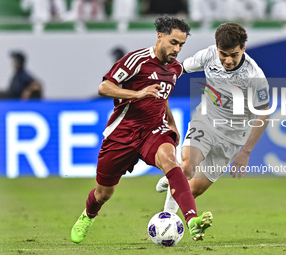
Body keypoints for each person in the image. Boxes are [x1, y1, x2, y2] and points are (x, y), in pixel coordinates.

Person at [71, 16, 213, 244]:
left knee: (171, 162)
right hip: (122, 135)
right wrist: (137, 93)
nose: (177, 49)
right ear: (160, 37)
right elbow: (104, 87)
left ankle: (192, 220)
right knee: (103, 193)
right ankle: (88, 215)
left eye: (181, 45)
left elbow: (161, 96)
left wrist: (172, 123)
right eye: (173, 42)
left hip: (152, 131)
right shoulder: (136, 60)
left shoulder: (175, 69)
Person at [156, 23, 270, 218]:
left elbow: (264, 114)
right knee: (188, 166)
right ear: (216, 46)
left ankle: (173, 176)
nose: (227, 60)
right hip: (206, 122)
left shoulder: (254, 76)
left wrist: (246, 152)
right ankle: (167, 219)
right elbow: (180, 69)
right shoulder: (208, 55)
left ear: (243, 48)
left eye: (234, 54)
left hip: (232, 139)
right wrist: (159, 78)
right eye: (223, 54)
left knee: (194, 190)